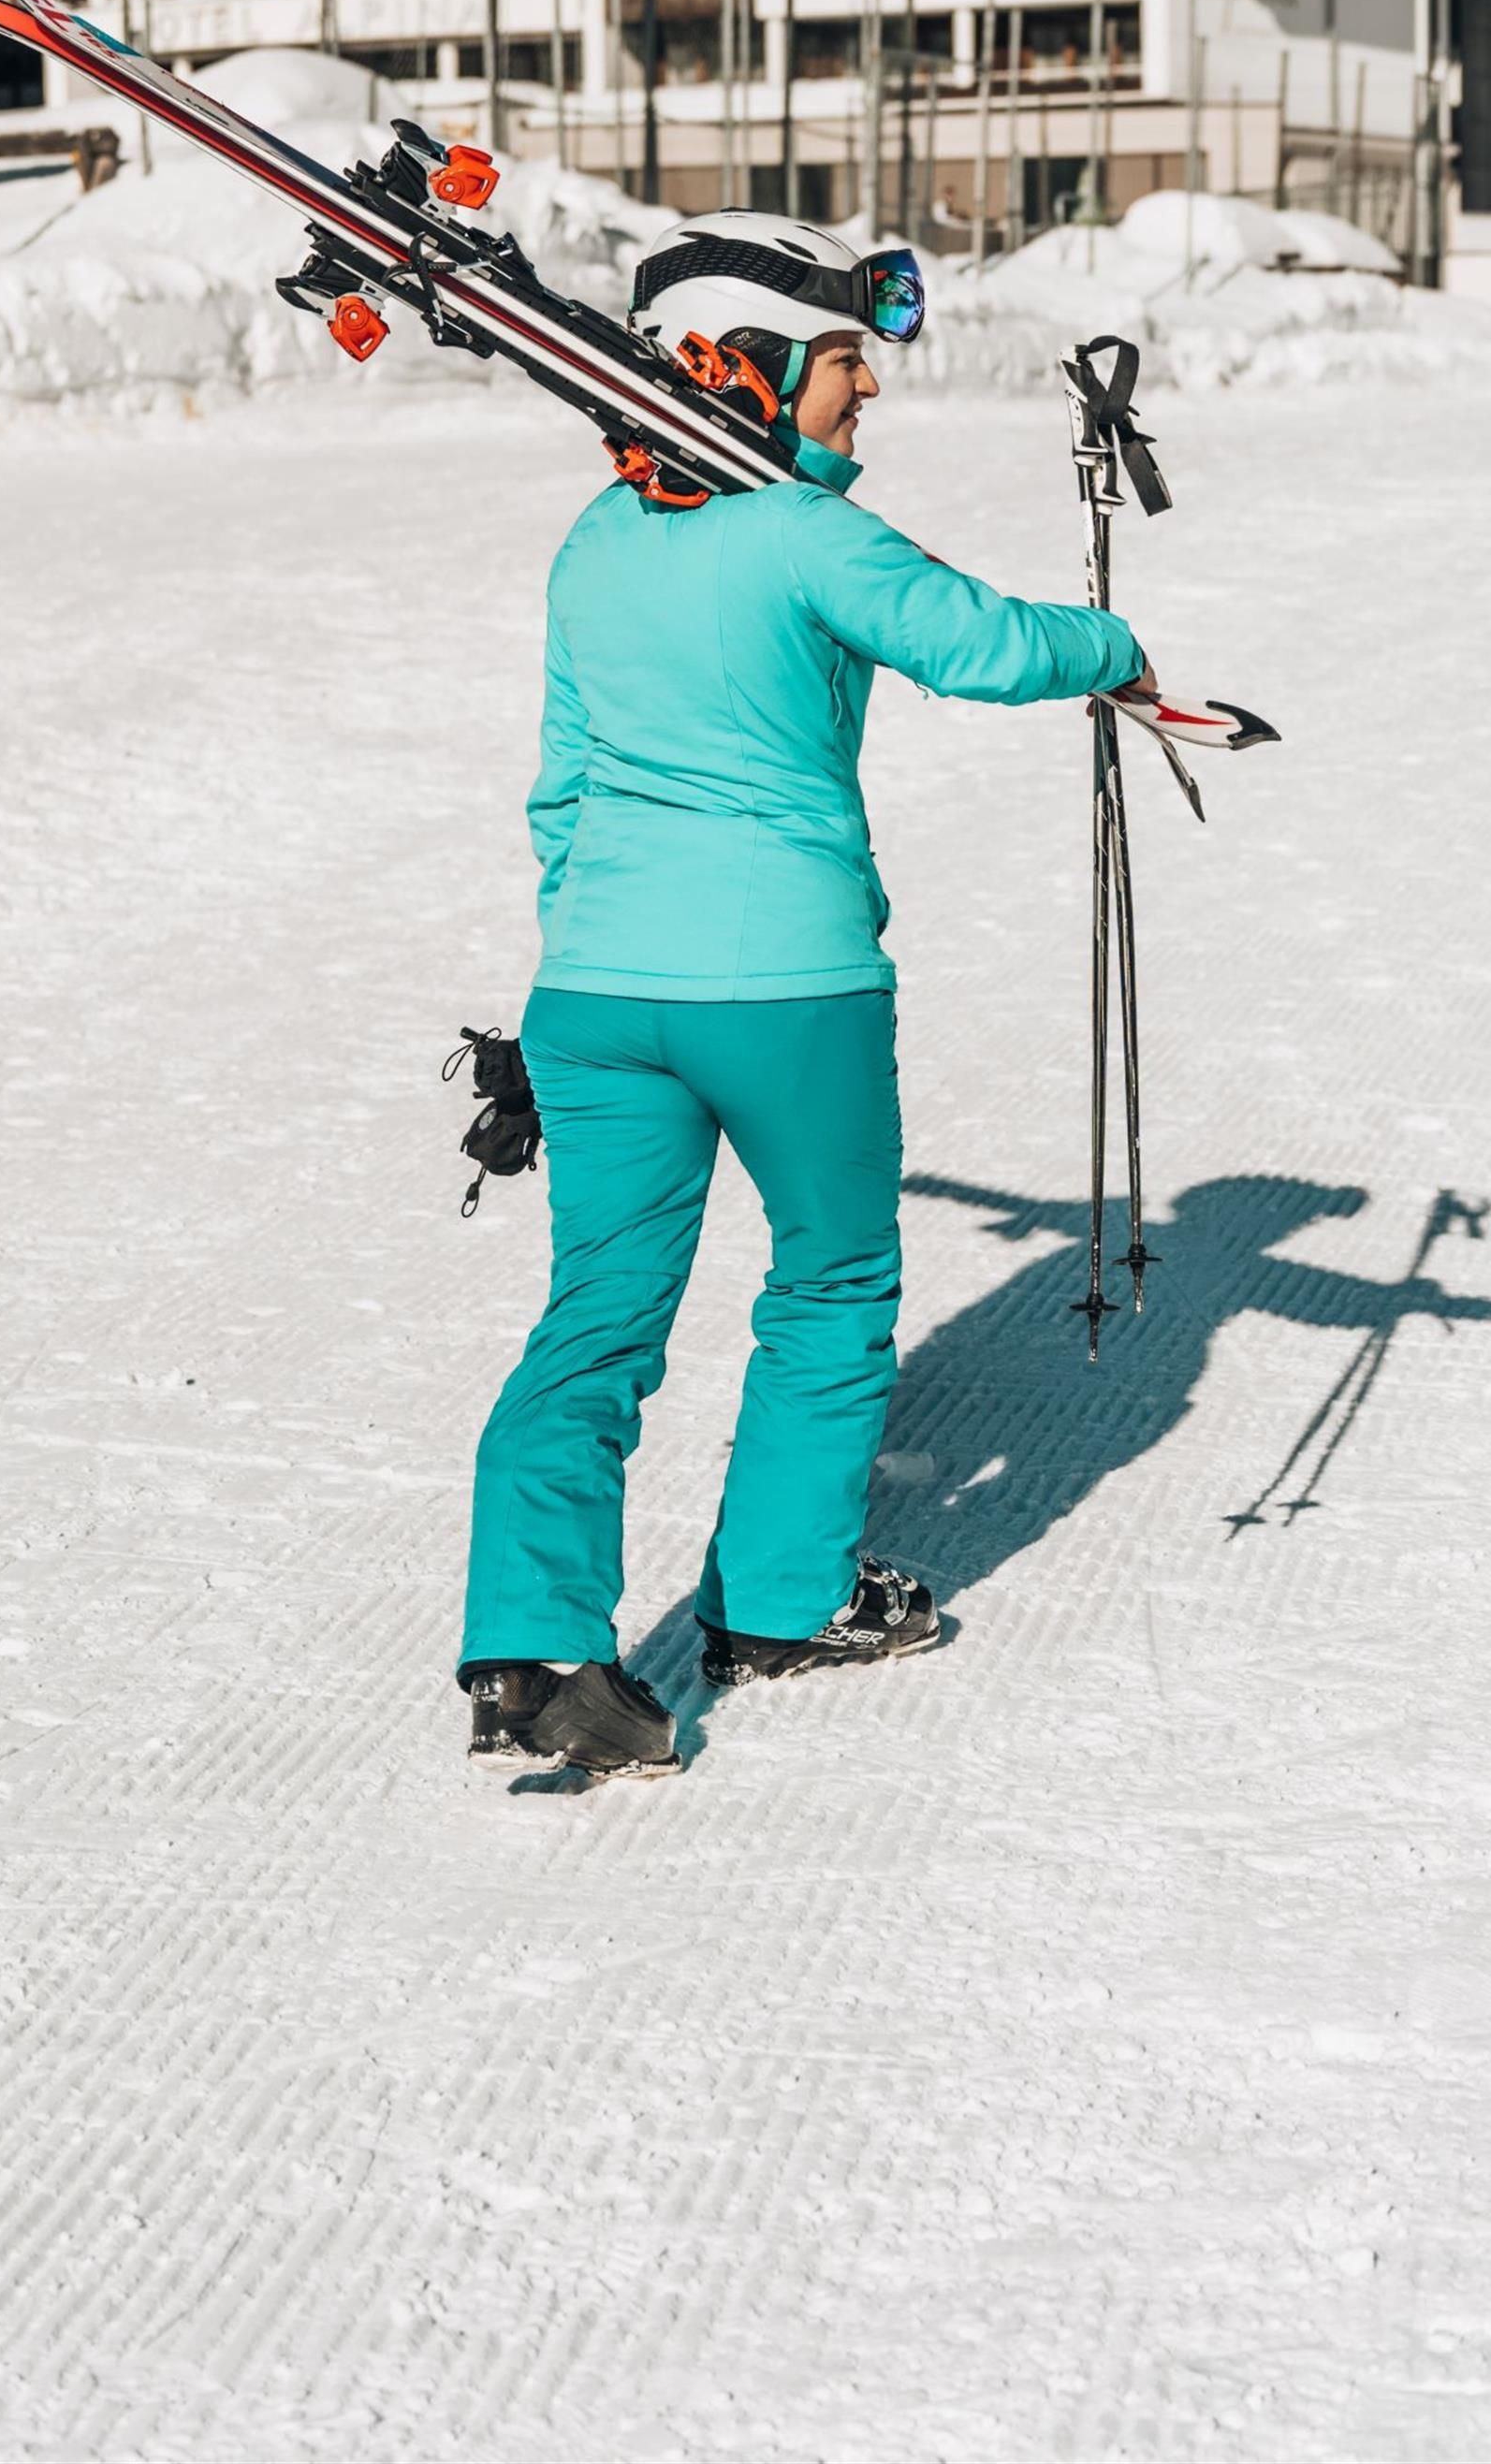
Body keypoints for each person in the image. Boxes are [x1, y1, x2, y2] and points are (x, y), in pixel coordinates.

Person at [456, 212, 1151, 1783]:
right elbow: (977, 643)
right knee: (830, 1286)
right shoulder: (804, 533)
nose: (869, 393)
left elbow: (561, 793)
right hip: (788, 994)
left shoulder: (593, 544)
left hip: (598, 996)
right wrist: (1113, 640)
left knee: (595, 1323)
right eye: (848, 359)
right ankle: (779, 1601)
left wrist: (575, 968)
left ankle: (527, 1638)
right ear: (754, 369)